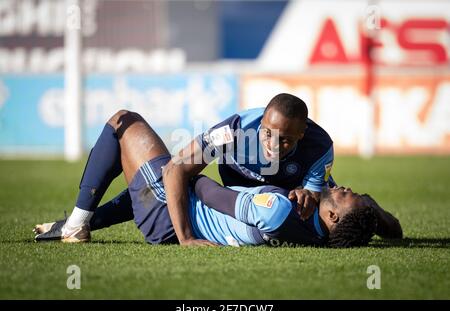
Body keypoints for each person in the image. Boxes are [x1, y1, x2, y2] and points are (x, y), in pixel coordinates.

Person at [34, 110, 402, 247]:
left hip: (169, 215)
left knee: (123, 122)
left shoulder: (288, 195)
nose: (344, 188)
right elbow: (389, 229)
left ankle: (76, 226)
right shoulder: (237, 133)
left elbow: (180, 176)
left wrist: (188, 238)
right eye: (269, 134)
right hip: (187, 208)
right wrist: (371, 213)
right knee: (168, 179)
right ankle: (75, 223)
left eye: (347, 196)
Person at [163, 93, 336, 246]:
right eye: (268, 133)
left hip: (282, 200)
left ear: (302, 133)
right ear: (262, 121)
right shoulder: (235, 129)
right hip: (241, 195)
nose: (273, 145)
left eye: (285, 140)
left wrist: (309, 195)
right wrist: (186, 238)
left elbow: (313, 201)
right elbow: (175, 168)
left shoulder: (320, 147)